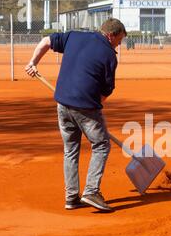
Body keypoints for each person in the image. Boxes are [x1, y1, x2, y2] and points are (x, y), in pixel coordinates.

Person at [25, 18, 127, 212]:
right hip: (85, 107)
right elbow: (105, 92)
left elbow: (46, 41)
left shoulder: (74, 36)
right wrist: (93, 110)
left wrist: (33, 62)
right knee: (101, 145)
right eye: (119, 40)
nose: (119, 44)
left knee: (70, 149)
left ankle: (71, 197)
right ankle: (91, 191)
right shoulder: (109, 55)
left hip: (62, 103)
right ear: (110, 35)